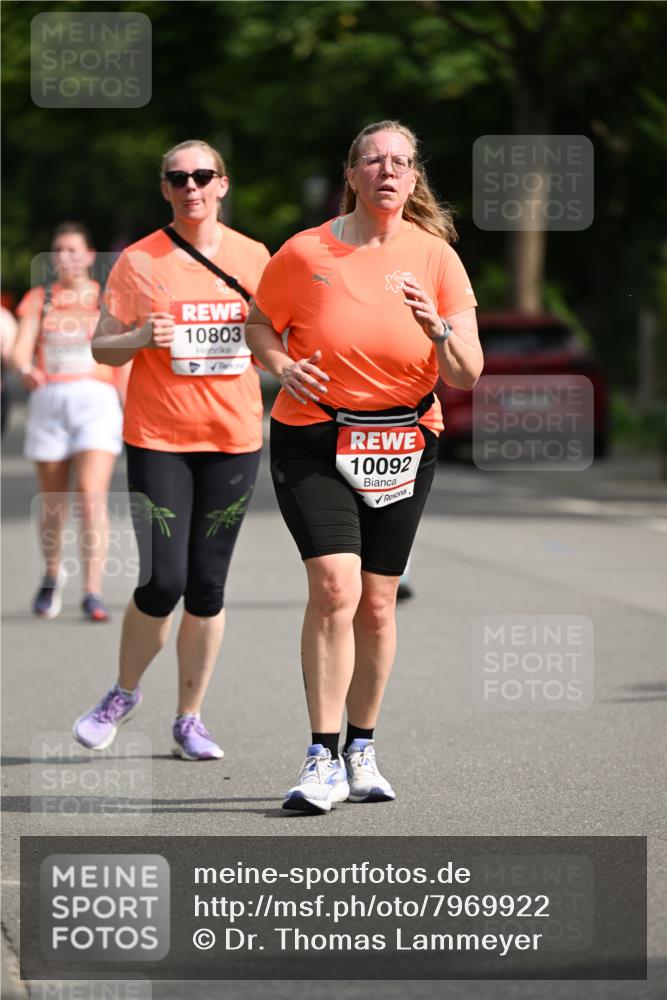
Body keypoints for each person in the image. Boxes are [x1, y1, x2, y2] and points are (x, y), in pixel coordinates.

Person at [246, 120, 483, 812]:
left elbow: (467, 372)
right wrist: (283, 366)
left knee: (377, 604)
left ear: (413, 180)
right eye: (373, 161)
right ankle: (319, 756)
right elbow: (258, 323)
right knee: (333, 587)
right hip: (313, 438)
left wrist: (435, 327)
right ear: (350, 175)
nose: (387, 171)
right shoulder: (304, 251)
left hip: (403, 442)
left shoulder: (435, 258)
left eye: (400, 162)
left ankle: (361, 748)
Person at [71, 140, 269, 761]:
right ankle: (123, 693)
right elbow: (102, 350)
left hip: (234, 439)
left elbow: (274, 336)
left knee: (208, 588)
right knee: (163, 581)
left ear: (222, 185)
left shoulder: (254, 257)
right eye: (178, 178)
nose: (191, 186)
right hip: (159, 437)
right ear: (165, 188)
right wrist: (137, 336)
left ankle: (190, 718)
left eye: (202, 176)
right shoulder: (138, 260)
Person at [12, 222, 127, 621]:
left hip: (95, 399)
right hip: (50, 400)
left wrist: (129, 407)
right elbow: (20, 350)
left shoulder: (105, 300)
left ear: (90, 255)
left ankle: (92, 591)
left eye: (73, 250)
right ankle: (50, 574)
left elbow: (121, 356)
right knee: (54, 501)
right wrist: (25, 368)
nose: (65, 257)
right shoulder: (39, 299)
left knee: (92, 497)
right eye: (58, 250)